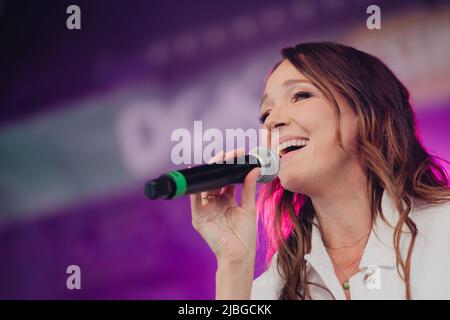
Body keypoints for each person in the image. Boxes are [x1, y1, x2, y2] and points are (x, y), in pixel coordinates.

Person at [189, 42, 450, 300]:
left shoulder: (442, 229)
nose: (272, 120)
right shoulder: (273, 287)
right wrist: (233, 263)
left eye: (301, 96)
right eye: (265, 113)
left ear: (367, 111)